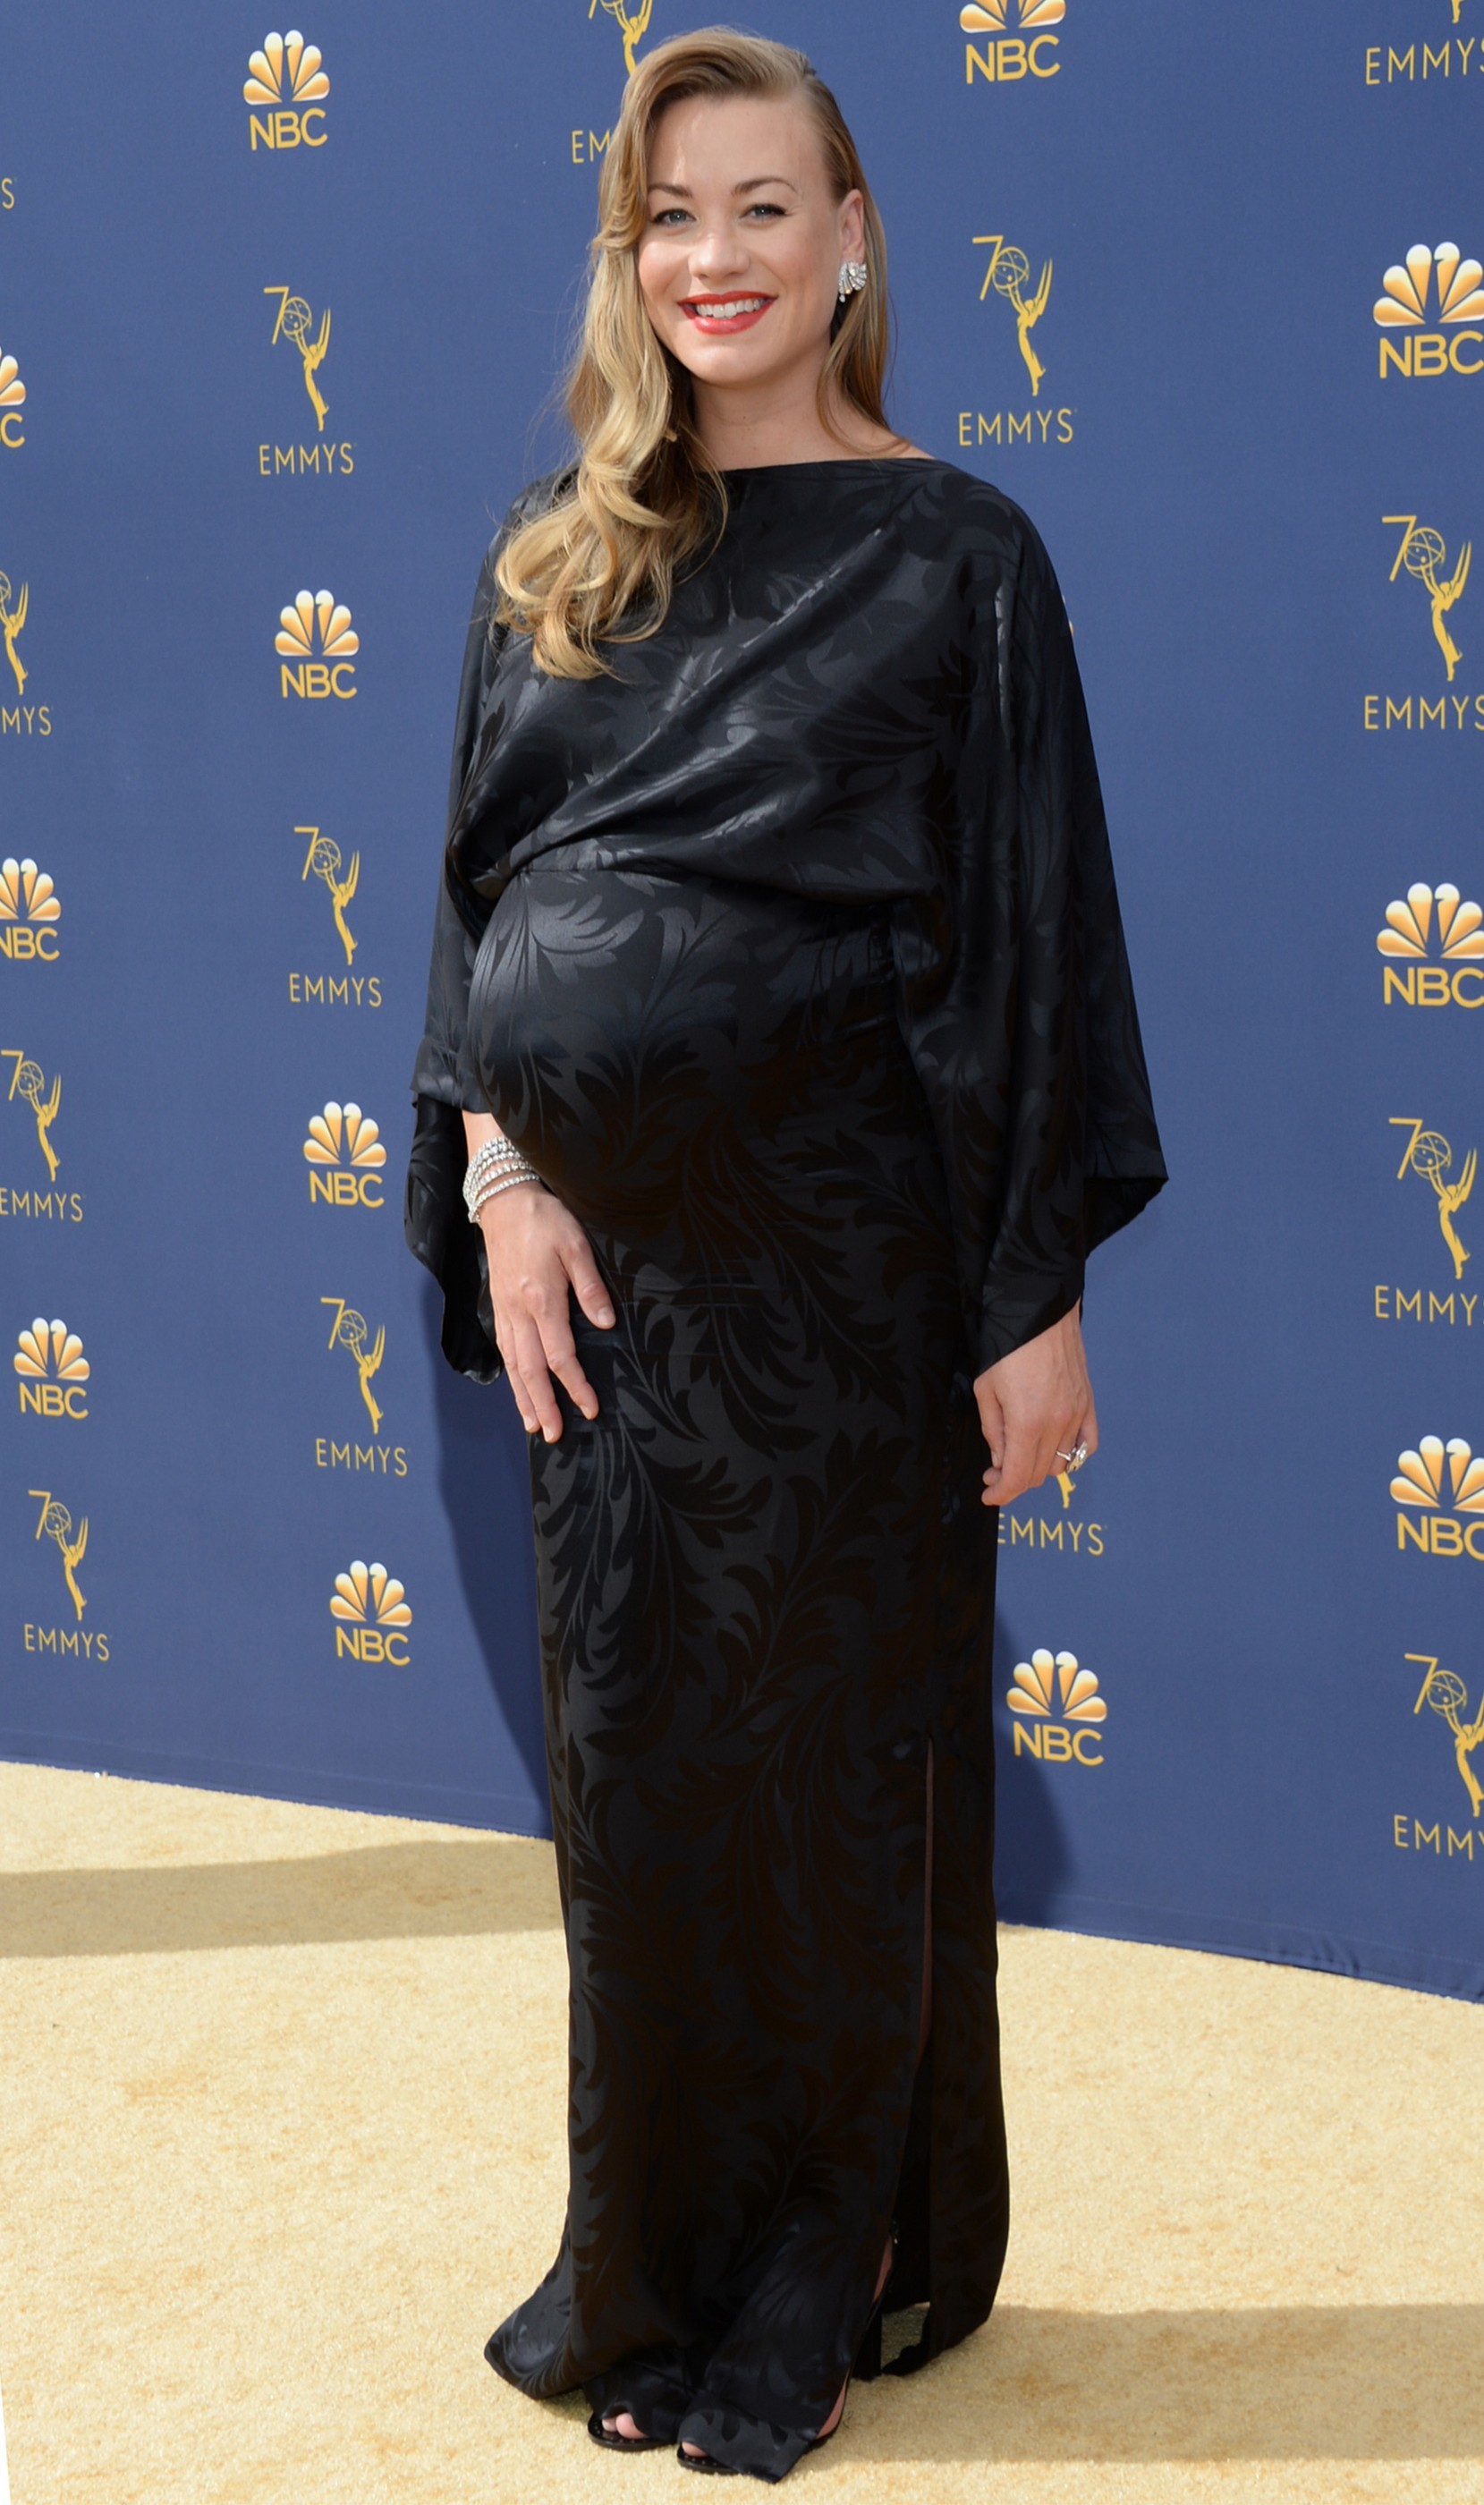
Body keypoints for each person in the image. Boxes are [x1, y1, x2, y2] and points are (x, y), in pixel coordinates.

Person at [406, 28, 1165, 2483]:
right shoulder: (558, 550)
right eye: (668, 216)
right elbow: (478, 908)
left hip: (844, 1275)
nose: (712, 258)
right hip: (608, 1283)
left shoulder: (960, 553)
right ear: (624, 257)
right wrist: (505, 1178)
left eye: (761, 206)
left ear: (851, 240)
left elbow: (1027, 943)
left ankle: (819, 2272)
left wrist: (1028, 1297)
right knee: (637, 1783)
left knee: (831, 1782)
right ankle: (650, 2252)